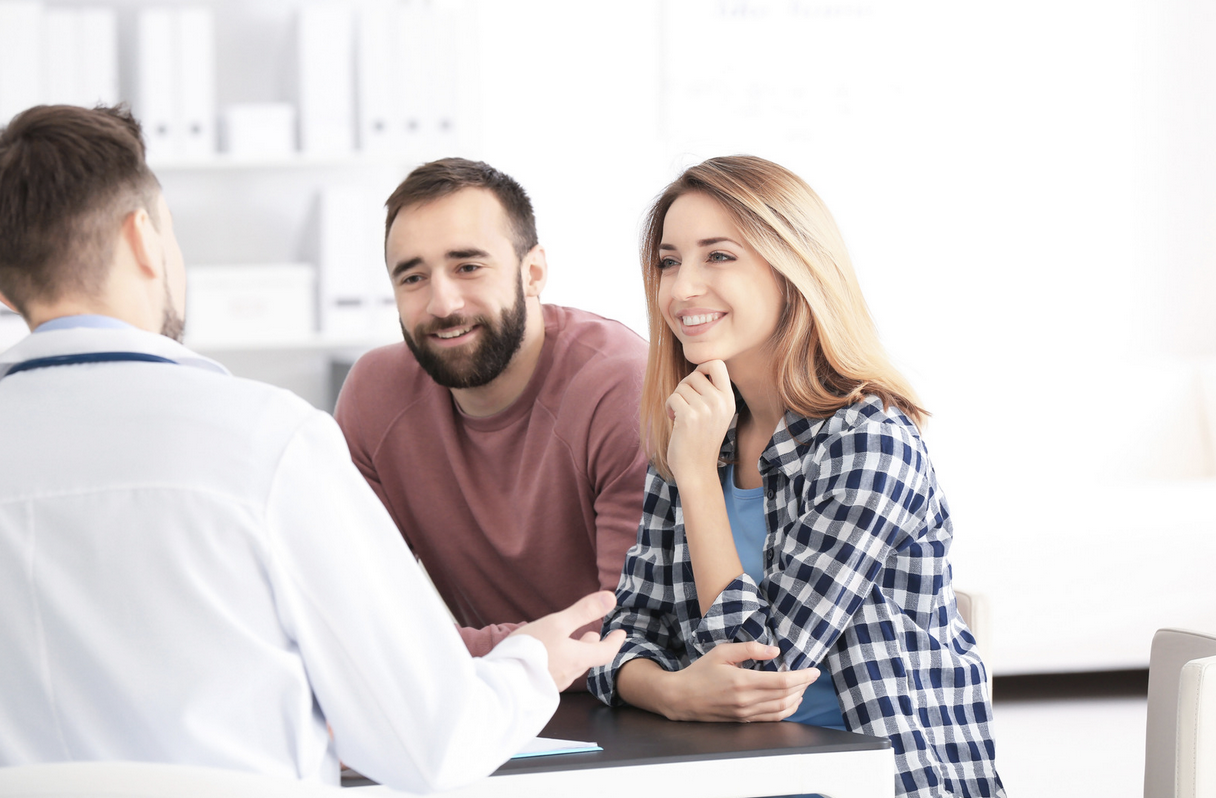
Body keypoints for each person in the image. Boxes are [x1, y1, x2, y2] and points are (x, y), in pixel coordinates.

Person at [0, 104, 624, 792]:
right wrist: (529, 661)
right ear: (145, 239)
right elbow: (429, 746)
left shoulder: (608, 380)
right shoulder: (265, 443)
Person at [588, 156, 1005, 798]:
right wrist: (670, 691)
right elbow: (623, 634)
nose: (681, 289)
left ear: (794, 268)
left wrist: (698, 481)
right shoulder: (701, 428)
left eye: (718, 256)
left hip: (874, 782)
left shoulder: (869, 440)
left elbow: (764, 667)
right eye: (670, 262)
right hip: (731, 776)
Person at [334, 158, 648, 662]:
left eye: (468, 267)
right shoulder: (376, 394)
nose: (442, 303)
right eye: (413, 277)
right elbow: (346, 614)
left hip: (627, 708)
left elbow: (621, 634)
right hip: (489, 702)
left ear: (533, 273)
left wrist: (431, 652)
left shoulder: (619, 384)